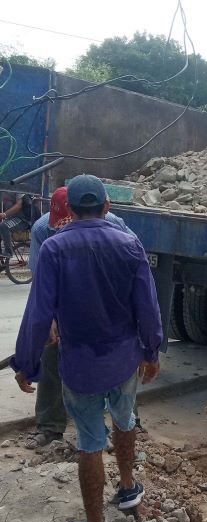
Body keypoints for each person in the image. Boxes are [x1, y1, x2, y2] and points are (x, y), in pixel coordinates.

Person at [11, 174, 163, 522]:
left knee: (91, 442)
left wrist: (26, 363)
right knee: (125, 419)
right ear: (108, 206)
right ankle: (127, 489)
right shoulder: (129, 243)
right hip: (125, 359)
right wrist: (152, 351)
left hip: (81, 365)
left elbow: (38, 314)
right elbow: (148, 305)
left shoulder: (55, 248)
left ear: (69, 211)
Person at [24, 186, 138, 449]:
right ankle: (50, 426)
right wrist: (49, 318)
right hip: (67, 302)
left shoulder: (113, 225)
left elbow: (135, 264)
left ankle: (123, 423)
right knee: (51, 355)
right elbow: (41, 283)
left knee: (117, 365)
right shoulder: (43, 230)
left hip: (105, 302)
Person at [0, 189, 30, 257]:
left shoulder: (17, 188)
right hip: (11, 218)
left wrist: (4, 214)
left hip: (22, 219)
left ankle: (8, 252)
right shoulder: (2, 189)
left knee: (4, 226)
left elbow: (18, 206)